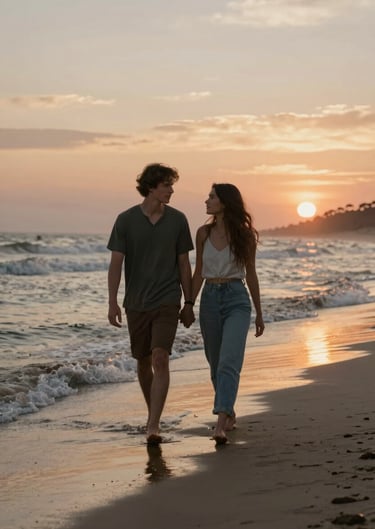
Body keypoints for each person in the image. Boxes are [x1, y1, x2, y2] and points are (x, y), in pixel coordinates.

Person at [107, 163, 195, 445]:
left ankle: (153, 425)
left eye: (171, 186)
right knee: (143, 361)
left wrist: (189, 301)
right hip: (136, 302)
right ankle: (152, 415)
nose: (171, 191)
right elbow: (116, 264)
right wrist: (112, 302)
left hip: (168, 300)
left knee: (160, 357)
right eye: (167, 185)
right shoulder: (125, 220)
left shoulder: (178, 220)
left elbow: (184, 264)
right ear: (152, 186)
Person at [192, 183, 265, 445]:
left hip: (237, 299)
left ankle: (220, 425)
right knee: (215, 364)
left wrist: (259, 312)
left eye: (211, 197)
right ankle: (229, 411)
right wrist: (188, 303)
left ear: (224, 202)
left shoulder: (245, 236)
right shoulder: (202, 233)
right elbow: (199, 270)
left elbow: (252, 274)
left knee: (228, 363)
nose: (207, 200)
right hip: (209, 298)